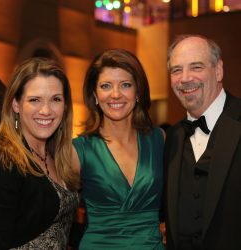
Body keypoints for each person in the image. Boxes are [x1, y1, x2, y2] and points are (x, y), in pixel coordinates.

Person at [72, 48, 165, 249]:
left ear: (138, 91)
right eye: (106, 86)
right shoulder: (78, 150)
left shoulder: (160, 139)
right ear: (94, 94)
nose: (115, 94)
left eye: (125, 85)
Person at [0, 57, 79, 249]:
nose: (46, 110)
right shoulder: (3, 160)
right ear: (16, 104)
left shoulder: (57, 153)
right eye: (34, 100)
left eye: (56, 99)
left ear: (65, 106)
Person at [164, 34, 241, 250]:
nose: (185, 78)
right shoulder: (172, 137)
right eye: (176, 70)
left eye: (196, 67)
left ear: (218, 70)